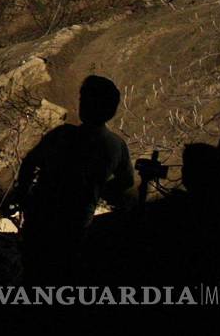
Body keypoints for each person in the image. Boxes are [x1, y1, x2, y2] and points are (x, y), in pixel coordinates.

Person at [11, 74, 134, 282]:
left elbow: (30, 162)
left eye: (84, 99)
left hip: (42, 215)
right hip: (78, 222)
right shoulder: (116, 145)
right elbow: (126, 181)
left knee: (33, 271)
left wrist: (23, 193)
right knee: (63, 271)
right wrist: (98, 190)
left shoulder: (63, 134)